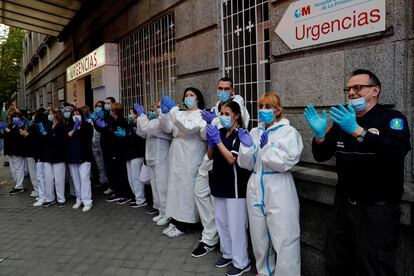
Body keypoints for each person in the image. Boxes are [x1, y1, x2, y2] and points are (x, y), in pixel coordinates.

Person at [304, 69, 411, 276]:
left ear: (375, 91)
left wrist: (358, 131)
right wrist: (319, 136)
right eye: (349, 89)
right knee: (337, 263)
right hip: (344, 207)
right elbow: (321, 155)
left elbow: (397, 151)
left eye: (358, 87)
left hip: (376, 211)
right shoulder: (343, 120)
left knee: (374, 267)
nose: (351, 92)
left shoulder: (391, 118)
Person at [238, 92, 303, 276]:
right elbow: (246, 164)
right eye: (261, 106)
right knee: (259, 238)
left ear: (277, 110)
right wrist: (248, 148)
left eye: (268, 107)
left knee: (284, 237)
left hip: (278, 185)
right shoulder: (255, 131)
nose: (263, 110)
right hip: (255, 185)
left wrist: (266, 149)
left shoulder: (288, 132)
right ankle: (264, 272)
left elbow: (287, 161)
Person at [192, 77, 250, 258]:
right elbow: (205, 134)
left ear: (232, 90)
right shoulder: (216, 107)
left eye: (226, 88)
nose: (222, 91)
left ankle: (234, 255)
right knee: (202, 195)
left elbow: (237, 127)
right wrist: (211, 129)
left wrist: (215, 121)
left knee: (234, 222)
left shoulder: (237, 107)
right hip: (213, 160)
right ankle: (216, 241)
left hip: (229, 170)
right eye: (220, 88)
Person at [206, 101, 251, 276]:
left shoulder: (241, 134)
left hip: (235, 187)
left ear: (236, 115)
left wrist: (217, 142)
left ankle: (242, 262)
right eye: (221, 113)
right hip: (219, 183)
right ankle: (228, 254)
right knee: (222, 222)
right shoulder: (221, 132)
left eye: (226, 113)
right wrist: (212, 142)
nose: (223, 117)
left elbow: (232, 159)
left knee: (236, 226)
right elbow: (210, 156)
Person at [160, 88, 207, 238]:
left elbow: (188, 128)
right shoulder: (181, 113)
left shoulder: (201, 114)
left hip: (191, 155)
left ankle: (185, 223)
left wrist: (173, 110)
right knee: (175, 187)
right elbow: (167, 128)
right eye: (186, 95)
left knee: (187, 188)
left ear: (198, 99)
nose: (188, 97)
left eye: (191, 95)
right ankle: (175, 218)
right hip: (177, 155)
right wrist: (164, 114)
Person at [136, 100, 172, 224]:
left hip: (161, 158)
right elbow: (141, 133)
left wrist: (141, 116)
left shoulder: (162, 123)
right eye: (156, 107)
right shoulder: (153, 121)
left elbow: (146, 128)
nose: (157, 109)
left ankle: (167, 214)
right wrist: (142, 119)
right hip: (151, 157)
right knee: (155, 187)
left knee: (162, 187)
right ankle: (160, 211)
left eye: (159, 107)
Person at [104, 102, 135, 204]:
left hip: (119, 152)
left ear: (114, 111)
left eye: (111, 109)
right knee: (116, 173)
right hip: (114, 151)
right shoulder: (114, 121)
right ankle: (119, 192)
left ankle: (125, 194)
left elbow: (118, 138)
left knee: (121, 173)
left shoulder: (120, 121)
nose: (110, 111)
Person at [66, 108, 94, 212]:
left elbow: (88, 138)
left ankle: (87, 201)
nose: (76, 116)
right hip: (72, 157)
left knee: (84, 178)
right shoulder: (68, 126)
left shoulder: (87, 126)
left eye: (78, 114)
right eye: (74, 114)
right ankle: (79, 198)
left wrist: (78, 128)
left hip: (84, 156)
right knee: (76, 179)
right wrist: (73, 129)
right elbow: (66, 139)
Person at [42, 108, 68, 207]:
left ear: (55, 115)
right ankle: (50, 198)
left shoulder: (62, 126)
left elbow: (61, 141)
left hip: (58, 156)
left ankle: (61, 199)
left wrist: (49, 136)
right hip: (48, 155)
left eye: (50, 113)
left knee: (59, 179)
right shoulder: (49, 126)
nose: (49, 115)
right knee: (48, 179)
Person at [125, 106, 147, 208]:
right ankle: (136, 197)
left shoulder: (139, 125)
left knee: (136, 178)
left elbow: (139, 140)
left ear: (136, 114)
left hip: (137, 155)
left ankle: (141, 199)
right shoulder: (130, 125)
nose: (129, 115)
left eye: (131, 113)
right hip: (129, 155)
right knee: (131, 179)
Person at [95, 97, 116, 195]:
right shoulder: (104, 116)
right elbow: (100, 129)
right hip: (104, 145)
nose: (106, 105)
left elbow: (110, 131)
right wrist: (96, 121)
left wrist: (105, 127)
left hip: (111, 146)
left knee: (112, 168)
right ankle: (111, 186)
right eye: (105, 103)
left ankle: (114, 187)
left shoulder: (111, 117)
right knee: (107, 166)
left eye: (108, 103)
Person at [3, 110, 27, 194]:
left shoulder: (21, 126)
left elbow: (18, 135)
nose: (15, 118)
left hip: (18, 150)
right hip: (10, 150)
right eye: (14, 117)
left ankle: (20, 186)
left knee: (18, 168)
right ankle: (17, 184)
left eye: (17, 117)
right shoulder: (10, 125)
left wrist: (9, 131)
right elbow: (5, 134)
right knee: (13, 168)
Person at [90, 101, 109, 187]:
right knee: (99, 164)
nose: (97, 107)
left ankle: (108, 182)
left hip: (101, 143)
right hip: (94, 144)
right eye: (96, 106)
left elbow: (101, 129)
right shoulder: (94, 116)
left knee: (104, 163)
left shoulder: (104, 117)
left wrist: (95, 121)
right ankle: (102, 180)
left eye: (99, 106)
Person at [31, 109, 48, 207]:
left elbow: (41, 141)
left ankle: (43, 196)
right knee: (40, 177)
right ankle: (42, 196)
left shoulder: (42, 127)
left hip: (42, 155)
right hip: (39, 156)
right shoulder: (37, 127)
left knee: (41, 177)